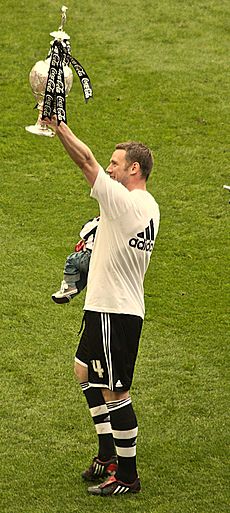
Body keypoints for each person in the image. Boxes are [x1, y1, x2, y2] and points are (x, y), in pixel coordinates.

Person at [45, 117, 160, 496]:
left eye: (116, 163)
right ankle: (108, 451)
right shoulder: (147, 206)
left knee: (115, 391)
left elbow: (85, 162)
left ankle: (127, 476)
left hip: (115, 311)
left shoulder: (126, 203)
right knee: (83, 371)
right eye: (110, 163)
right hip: (106, 307)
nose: (109, 169)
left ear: (134, 169)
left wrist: (58, 126)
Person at [52, 216, 100, 304]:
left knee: (72, 260)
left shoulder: (96, 222)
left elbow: (84, 233)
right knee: (85, 272)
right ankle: (74, 289)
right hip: (113, 260)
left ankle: (70, 287)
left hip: (92, 257)